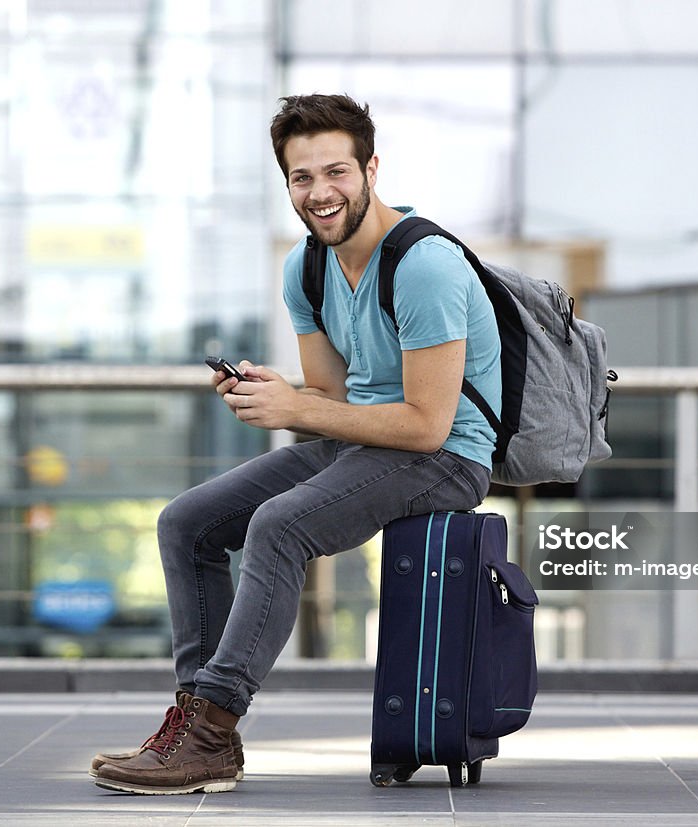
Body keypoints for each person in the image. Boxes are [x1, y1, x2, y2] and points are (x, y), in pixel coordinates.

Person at [90, 93, 502, 795]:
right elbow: (336, 405)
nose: (320, 192)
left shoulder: (424, 266)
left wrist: (299, 408)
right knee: (185, 522)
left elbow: (429, 425)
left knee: (278, 525)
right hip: (366, 446)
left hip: (447, 458)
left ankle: (213, 731)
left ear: (372, 168)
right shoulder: (305, 267)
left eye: (336, 172)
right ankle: (192, 722)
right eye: (301, 177)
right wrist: (278, 395)